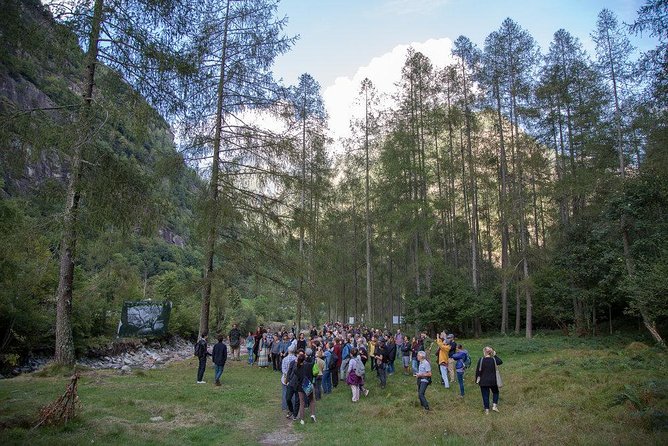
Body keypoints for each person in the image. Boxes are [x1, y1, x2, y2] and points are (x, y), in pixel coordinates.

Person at [474, 346, 503, 414]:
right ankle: (494, 406)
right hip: (493, 381)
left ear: (484, 352)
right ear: (491, 353)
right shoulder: (494, 359)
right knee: (496, 392)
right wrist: (495, 355)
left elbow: (478, 371)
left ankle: (487, 410)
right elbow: (500, 362)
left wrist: (476, 380)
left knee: (485, 395)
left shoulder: (481, 360)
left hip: (483, 381)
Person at [281, 346, 297, 415]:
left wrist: (286, 375)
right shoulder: (296, 359)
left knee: (285, 391)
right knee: (292, 393)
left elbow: (283, 369)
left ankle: (284, 406)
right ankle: (292, 405)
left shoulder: (285, 359)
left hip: (285, 378)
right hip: (293, 379)